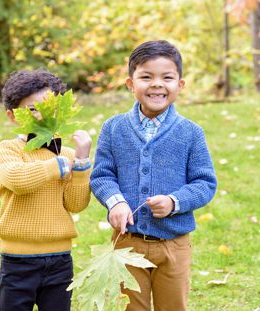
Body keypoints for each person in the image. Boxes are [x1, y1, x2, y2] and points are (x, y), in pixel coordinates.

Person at [90, 40, 217, 310]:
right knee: (132, 307)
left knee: (172, 306)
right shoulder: (113, 129)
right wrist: (116, 202)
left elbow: (204, 183)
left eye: (167, 77)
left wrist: (174, 201)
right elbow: (102, 175)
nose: (157, 84)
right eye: (146, 77)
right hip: (127, 243)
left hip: (173, 245)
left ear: (180, 85)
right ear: (130, 83)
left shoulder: (191, 133)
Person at [0, 69, 92, 311]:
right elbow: (17, 180)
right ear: (13, 116)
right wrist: (55, 165)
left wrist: (80, 163)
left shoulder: (67, 154)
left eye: (51, 107)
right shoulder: (9, 150)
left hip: (59, 260)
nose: (43, 115)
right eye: (33, 109)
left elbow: (76, 204)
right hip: (17, 262)